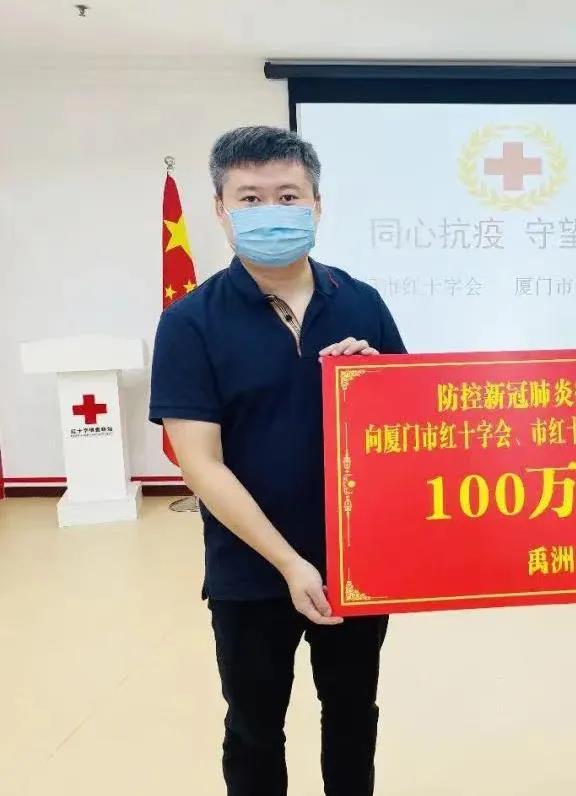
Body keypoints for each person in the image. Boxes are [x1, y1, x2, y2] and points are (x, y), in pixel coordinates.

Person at [149, 125, 406, 796]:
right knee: (254, 728)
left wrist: (376, 382)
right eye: (251, 198)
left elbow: (408, 432)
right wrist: (290, 564)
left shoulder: (362, 302)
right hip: (251, 570)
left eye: (288, 196)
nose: (271, 211)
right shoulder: (190, 321)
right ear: (221, 209)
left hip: (355, 564)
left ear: (317, 205)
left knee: (352, 716)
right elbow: (201, 464)